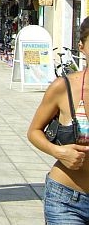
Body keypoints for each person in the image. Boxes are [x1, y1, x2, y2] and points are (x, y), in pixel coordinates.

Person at [27, 16, 89, 224]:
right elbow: (34, 131)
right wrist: (58, 151)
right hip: (68, 200)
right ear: (82, 46)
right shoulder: (64, 87)